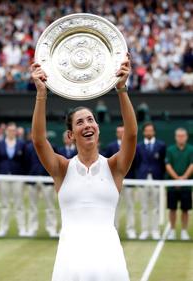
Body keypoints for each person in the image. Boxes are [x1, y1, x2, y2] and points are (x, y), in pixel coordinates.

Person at [30, 53, 137, 280]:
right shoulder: (62, 168)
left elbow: (131, 134)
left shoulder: (115, 166)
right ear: (70, 135)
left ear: (98, 128)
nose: (87, 125)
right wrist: (41, 94)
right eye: (80, 122)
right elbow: (39, 141)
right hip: (70, 262)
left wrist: (122, 89)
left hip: (109, 262)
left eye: (90, 120)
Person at [105, 126, 137, 239]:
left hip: (129, 181)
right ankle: (114, 229)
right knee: (114, 207)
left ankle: (131, 230)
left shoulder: (132, 146)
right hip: (113, 183)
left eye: (123, 131)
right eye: (119, 132)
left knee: (130, 206)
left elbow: (135, 163)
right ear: (116, 133)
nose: (121, 133)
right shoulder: (110, 147)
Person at [0, 122, 27, 237]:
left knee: (19, 204)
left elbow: (25, 161)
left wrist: (23, 176)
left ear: (16, 132)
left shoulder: (21, 144)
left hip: (18, 177)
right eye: (9, 130)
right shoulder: (0, 144)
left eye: (13, 130)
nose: (11, 132)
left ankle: (22, 229)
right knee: (4, 204)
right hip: (3, 177)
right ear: (6, 131)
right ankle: (3, 228)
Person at [136, 122, 166, 240]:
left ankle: (155, 230)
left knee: (156, 207)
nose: (149, 132)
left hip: (156, 178)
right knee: (143, 207)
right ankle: (144, 230)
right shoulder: (138, 146)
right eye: (147, 130)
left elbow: (162, 162)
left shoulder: (161, 145)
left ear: (154, 132)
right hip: (143, 179)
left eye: (151, 130)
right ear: (143, 132)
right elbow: (137, 162)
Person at [25, 140, 59, 238]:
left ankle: (52, 229)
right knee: (32, 206)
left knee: (50, 206)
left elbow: (55, 161)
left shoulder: (52, 146)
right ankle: (32, 228)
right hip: (33, 179)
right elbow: (26, 162)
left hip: (47, 179)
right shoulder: (28, 147)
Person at [165, 128, 193, 240]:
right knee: (172, 209)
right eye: (179, 136)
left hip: (186, 185)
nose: (181, 138)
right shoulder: (170, 149)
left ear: (186, 137)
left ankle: (184, 231)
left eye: (183, 136)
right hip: (172, 186)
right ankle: (171, 230)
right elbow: (168, 165)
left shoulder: (191, 149)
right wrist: (176, 179)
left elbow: (192, 165)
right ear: (175, 137)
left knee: (185, 209)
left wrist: (184, 178)